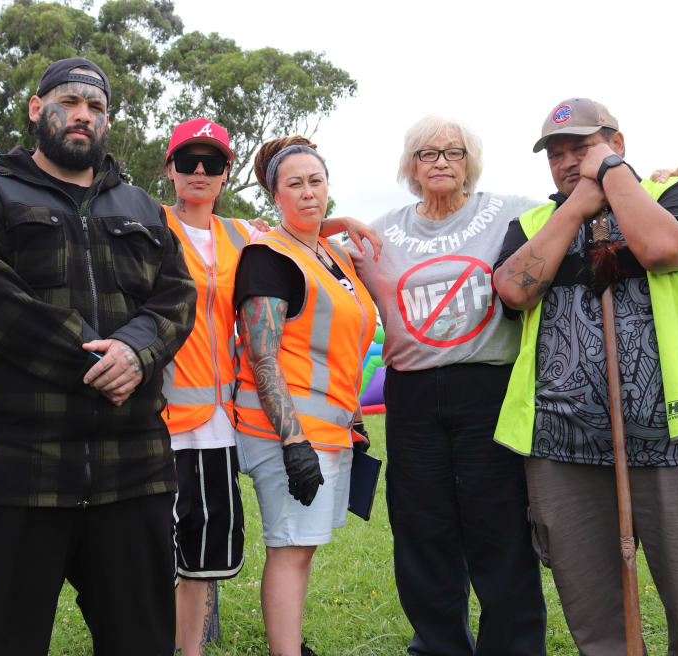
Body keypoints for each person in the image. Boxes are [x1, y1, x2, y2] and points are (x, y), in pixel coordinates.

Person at [0, 57, 196, 655]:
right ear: (37, 108)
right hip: (8, 475)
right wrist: (99, 364)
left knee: (143, 644)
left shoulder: (143, 208)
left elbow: (178, 296)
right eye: (69, 101)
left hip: (133, 475)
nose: (82, 114)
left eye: (96, 106)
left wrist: (139, 349)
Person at [494, 97, 678, 655]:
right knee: (595, 618)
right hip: (562, 448)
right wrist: (576, 206)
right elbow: (512, 290)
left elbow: (661, 248)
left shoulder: (676, 196)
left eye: (583, 147)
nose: (568, 160)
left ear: (617, 143)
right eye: (556, 154)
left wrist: (614, 178)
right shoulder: (533, 223)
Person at [161, 119, 380, 655]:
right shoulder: (152, 223)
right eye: (188, 160)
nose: (199, 171)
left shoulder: (245, 235)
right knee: (166, 552)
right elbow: (263, 349)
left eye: (212, 163)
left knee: (221, 553)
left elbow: (293, 236)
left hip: (244, 423)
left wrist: (339, 222)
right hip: (193, 418)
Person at [350, 116, 548, 655]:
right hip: (411, 396)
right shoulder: (378, 231)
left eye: (452, 152)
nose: (440, 161)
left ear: (469, 162)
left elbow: (573, 206)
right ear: (410, 167)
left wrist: (662, 179)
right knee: (421, 529)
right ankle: (438, 646)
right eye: (426, 153)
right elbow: (309, 250)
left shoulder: (510, 211)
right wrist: (336, 218)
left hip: (488, 389)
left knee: (500, 528)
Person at [232, 136, 377, 656]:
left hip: (327, 426)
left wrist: (352, 419)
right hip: (284, 429)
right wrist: (293, 442)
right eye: (294, 184)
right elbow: (262, 355)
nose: (308, 192)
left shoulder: (330, 255)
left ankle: (289, 645)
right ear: (275, 194)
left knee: (303, 545)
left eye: (316, 181)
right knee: (289, 547)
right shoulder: (268, 257)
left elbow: (338, 347)